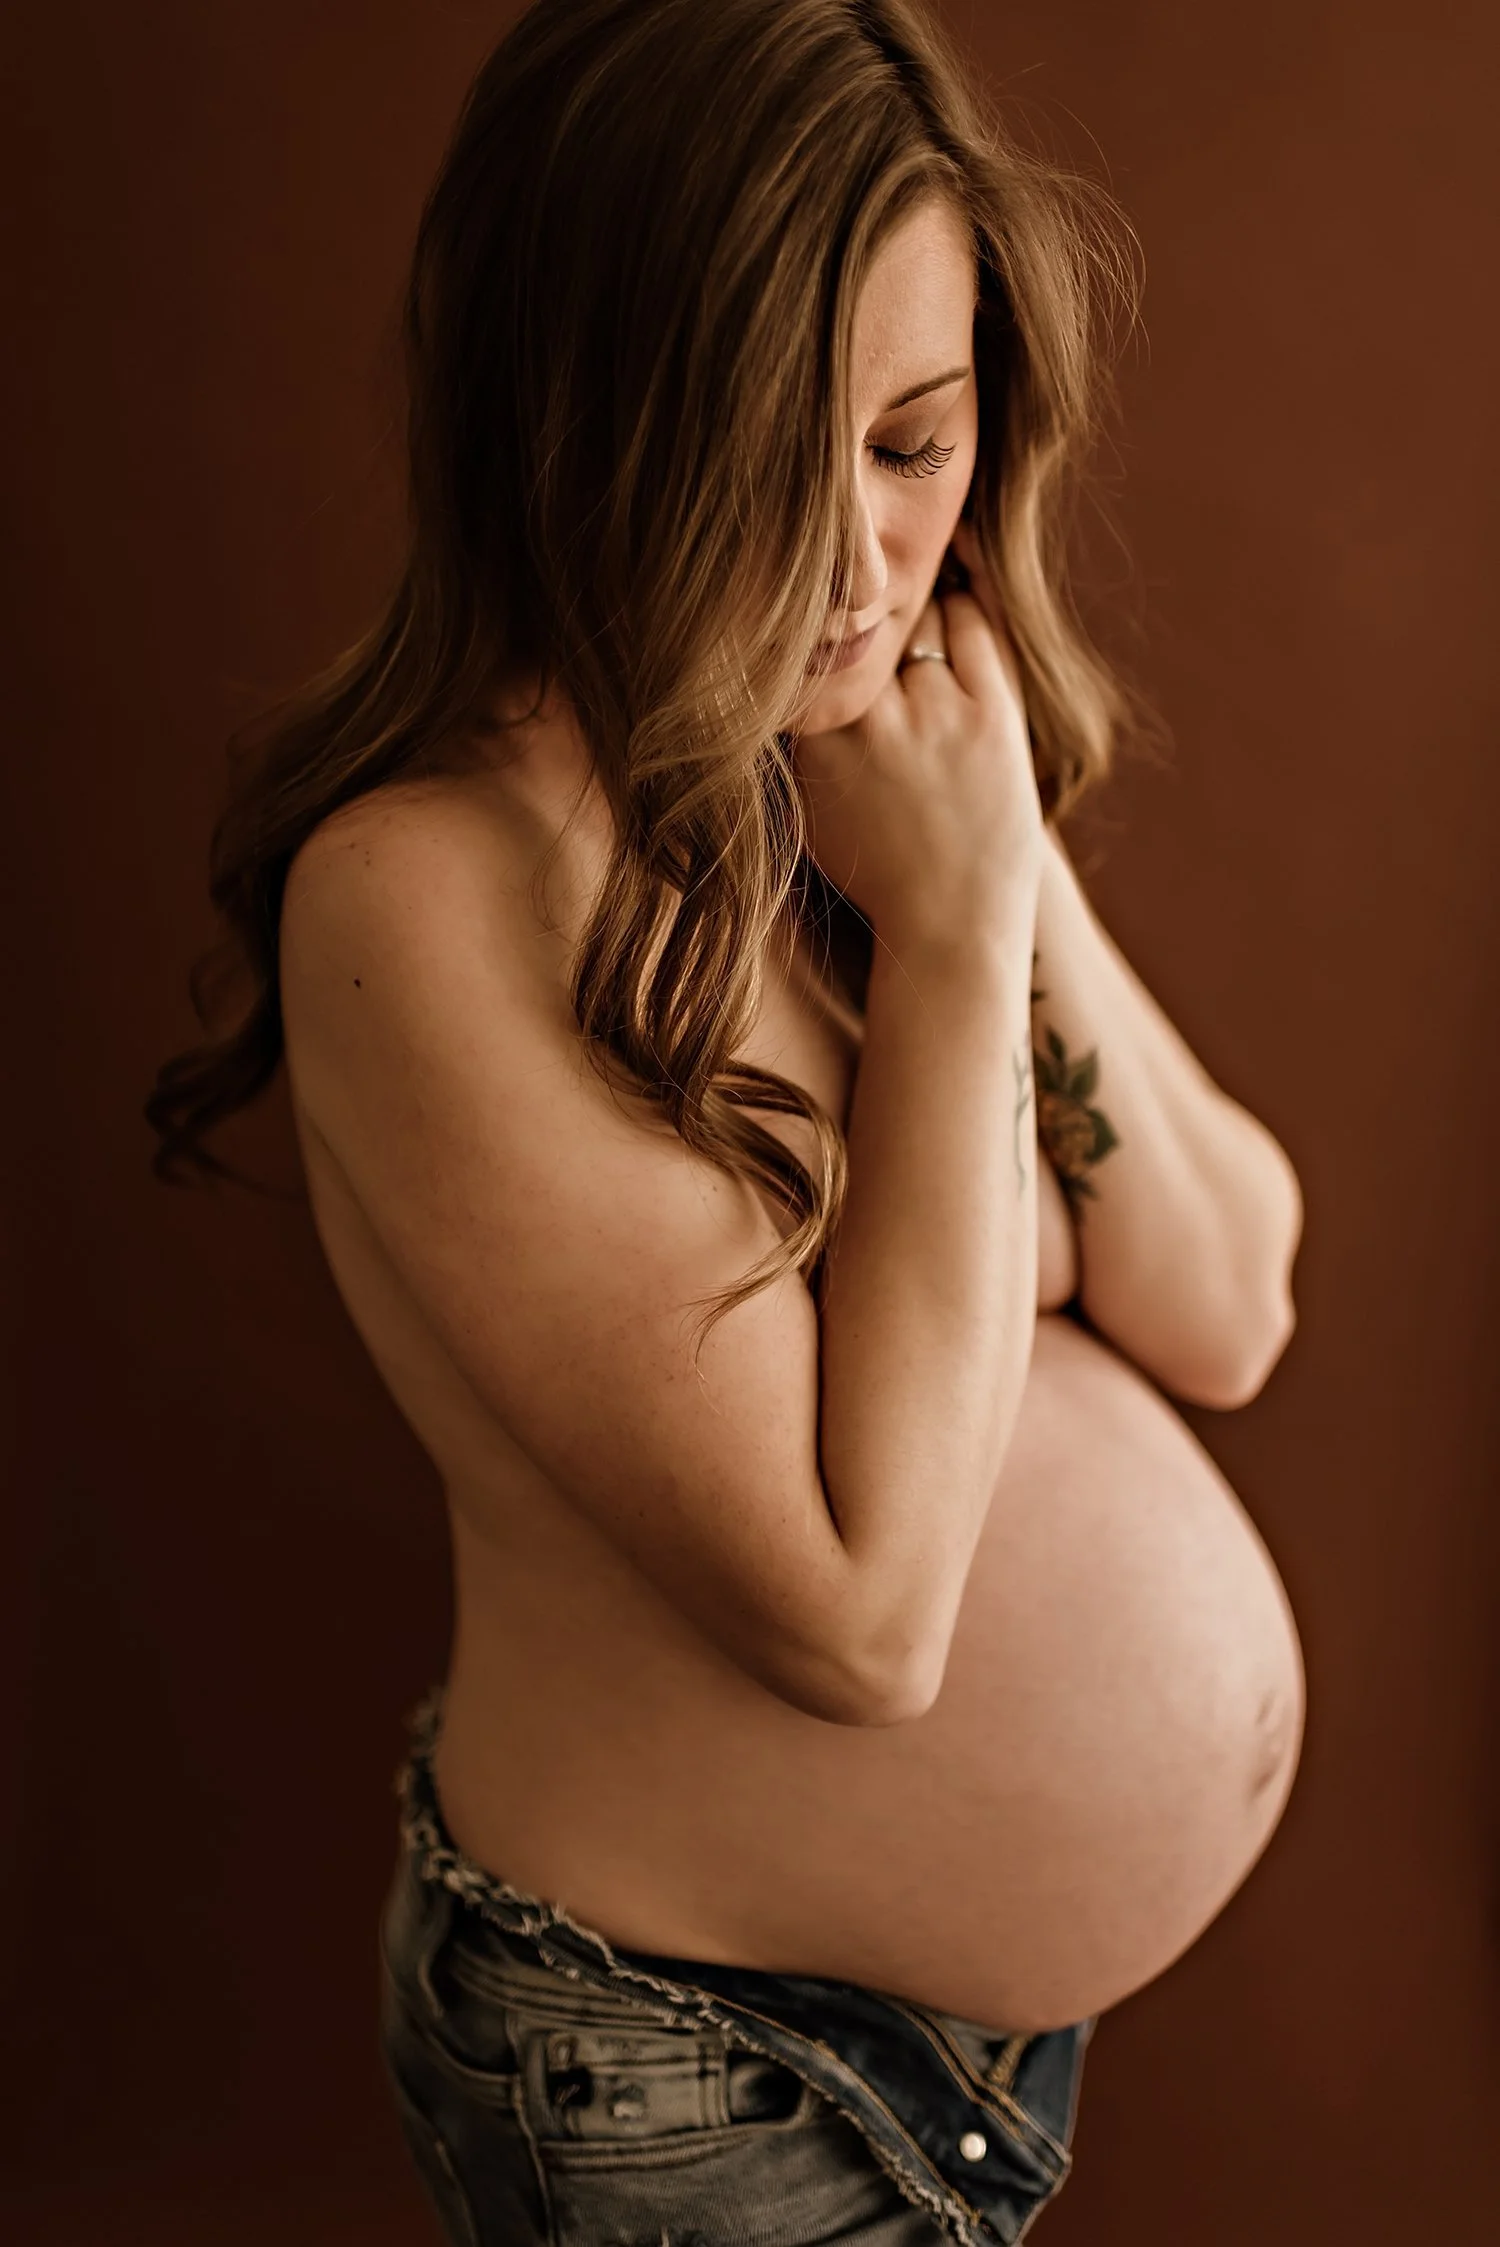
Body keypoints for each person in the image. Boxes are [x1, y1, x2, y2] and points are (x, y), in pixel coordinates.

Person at [146, 2, 1309, 2239]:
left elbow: (1232, 1290)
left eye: (914, 440)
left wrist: (995, 873)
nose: (869, 560)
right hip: (693, 2083)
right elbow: (867, 1617)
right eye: (777, 452)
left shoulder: (864, 763)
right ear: (574, 423)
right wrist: (962, 938)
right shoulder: (429, 894)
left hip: (922, 2061)